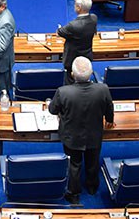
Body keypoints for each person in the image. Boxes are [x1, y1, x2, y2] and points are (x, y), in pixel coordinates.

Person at [47, 56, 115, 204]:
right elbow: (110, 107)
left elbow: (52, 110)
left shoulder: (63, 92)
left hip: (72, 136)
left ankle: (73, 194)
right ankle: (92, 187)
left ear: (72, 74)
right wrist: (109, 120)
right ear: (91, 73)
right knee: (92, 161)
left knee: (74, 164)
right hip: (94, 134)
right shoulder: (103, 89)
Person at [58, 0, 97, 85]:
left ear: (79, 8)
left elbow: (60, 32)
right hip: (87, 55)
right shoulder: (94, 18)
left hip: (72, 60)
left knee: (70, 83)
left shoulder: (73, 25)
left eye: (75, 5)